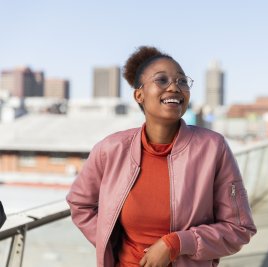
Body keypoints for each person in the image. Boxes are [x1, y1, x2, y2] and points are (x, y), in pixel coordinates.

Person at [66, 46, 256, 267]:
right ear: (139, 95)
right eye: (162, 80)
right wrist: (110, 243)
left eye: (182, 81)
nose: (175, 87)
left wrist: (176, 244)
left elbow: (239, 228)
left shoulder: (213, 148)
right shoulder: (111, 149)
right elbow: (80, 203)